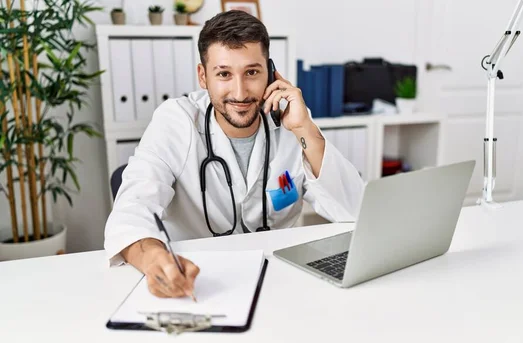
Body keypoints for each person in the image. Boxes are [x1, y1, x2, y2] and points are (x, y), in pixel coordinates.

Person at [103, 10, 365, 298]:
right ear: (203, 76)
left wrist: (305, 128)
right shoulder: (176, 121)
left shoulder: (292, 121)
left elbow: (356, 212)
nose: (240, 93)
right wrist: (155, 260)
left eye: (252, 72)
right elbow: (131, 210)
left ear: (271, 71)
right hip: (199, 282)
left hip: (281, 281)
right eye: (224, 74)